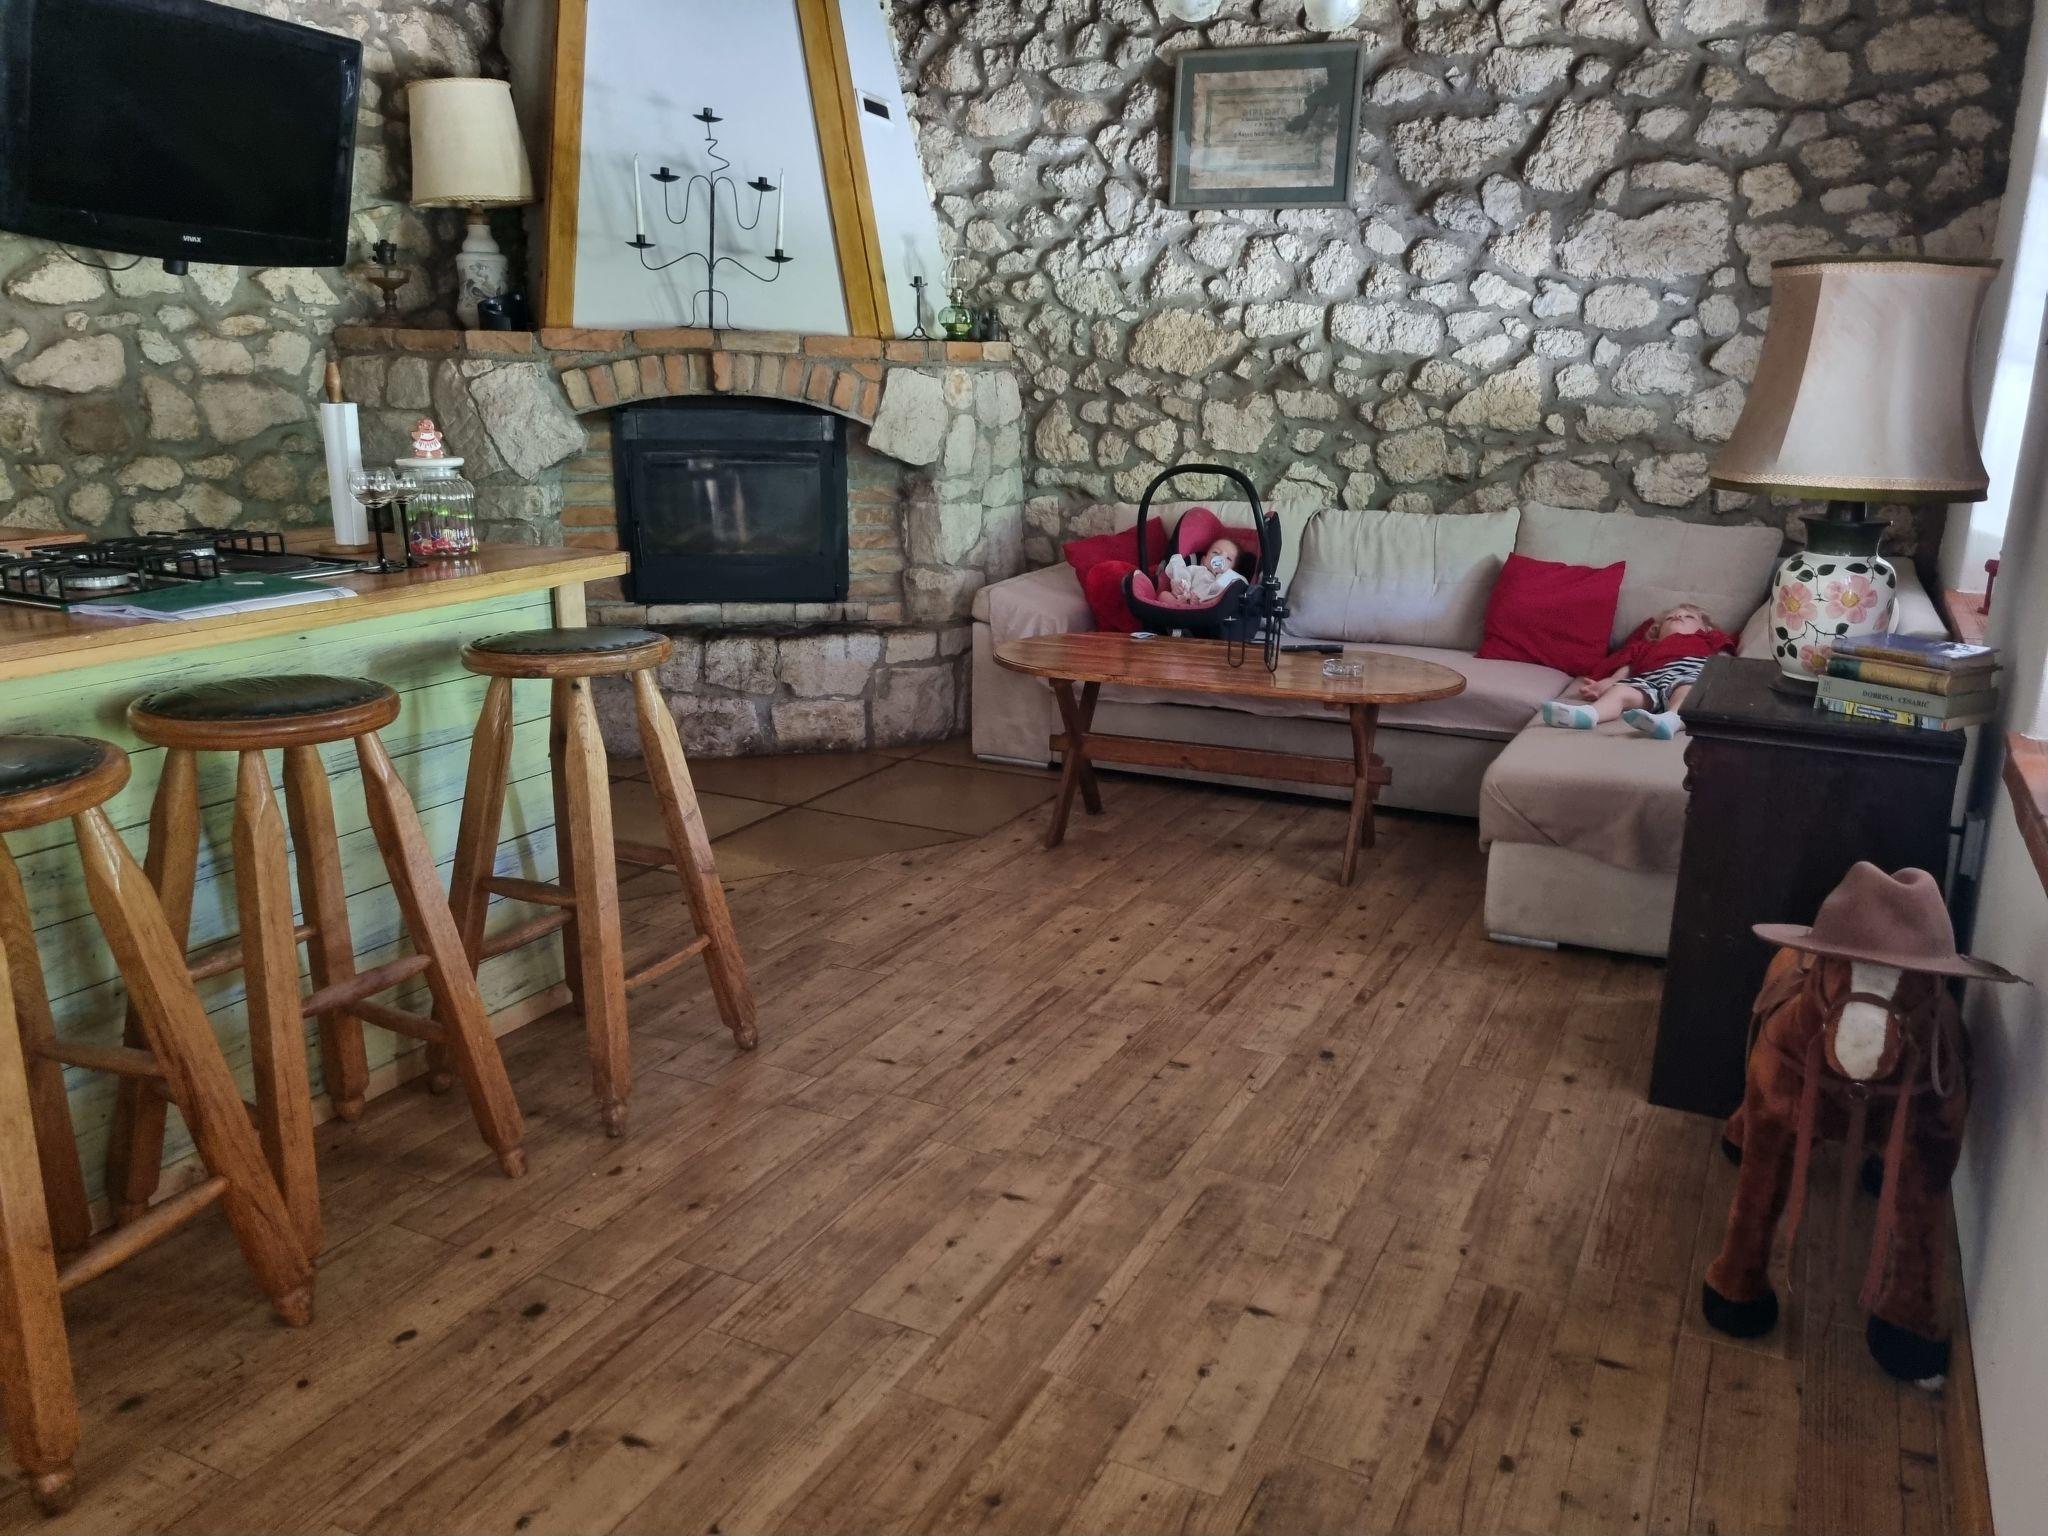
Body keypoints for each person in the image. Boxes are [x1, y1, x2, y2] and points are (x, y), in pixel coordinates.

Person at [1539, 602, 1735, 739]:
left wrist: (1723, 678)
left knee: (1687, 690)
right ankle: (1589, 715)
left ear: (1707, 628)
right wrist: (1610, 682)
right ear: (1658, 630)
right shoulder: (1645, 647)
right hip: (1649, 683)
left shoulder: (1708, 639)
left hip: (1689, 674)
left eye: (1688, 616)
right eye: (1670, 617)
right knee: (1620, 691)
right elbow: (1628, 667)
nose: (1678, 616)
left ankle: (1670, 720)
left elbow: (1727, 658)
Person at [1163, 536, 1247, 605]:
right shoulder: (1197, 569)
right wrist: (1180, 587)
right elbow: (1182, 575)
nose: (1220, 558)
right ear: (1203, 559)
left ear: (1233, 570)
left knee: (1222, 600)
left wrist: (1224, 575)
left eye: (1228, 558)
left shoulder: (1228, 579)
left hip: (1209, 606)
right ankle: (1182, 606)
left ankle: (1200, 605)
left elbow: (1241, 583)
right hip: (1186, 598)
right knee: (1164, 595)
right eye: (1216, 552)